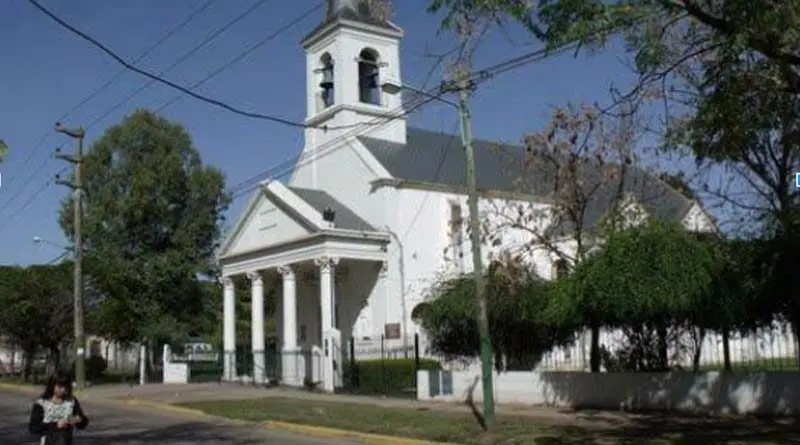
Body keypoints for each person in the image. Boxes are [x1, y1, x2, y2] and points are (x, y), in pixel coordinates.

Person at [28, 373, 89, 445]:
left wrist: (78, 420)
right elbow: (33, 428)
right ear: (52, 386)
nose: (63, 390)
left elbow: (83, 423)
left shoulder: (71, 401)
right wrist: (56, 425)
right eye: (60, 387)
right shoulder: (41, 403)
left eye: (66, 387)